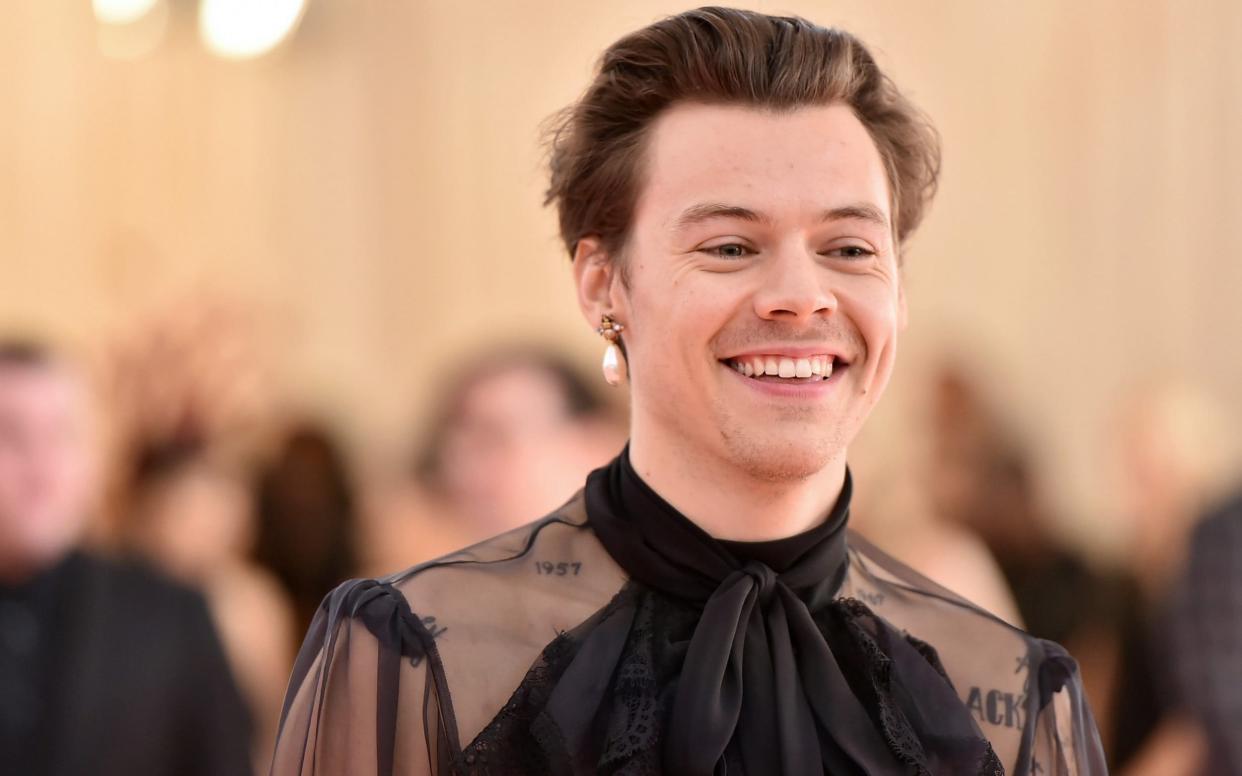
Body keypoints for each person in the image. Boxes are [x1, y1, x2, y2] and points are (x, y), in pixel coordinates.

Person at [271, 8, 1106, 775]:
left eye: (849, 249)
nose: (802, 296)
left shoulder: (1012, 695)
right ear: (605, 286)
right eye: (732, 246)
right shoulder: (415, 655)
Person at [0, 340, 253, 776]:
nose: (41, 466)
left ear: (93, 459)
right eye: (12, 435)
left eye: (62, 435)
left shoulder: (172, 618)